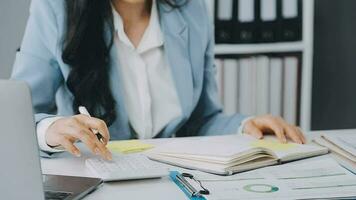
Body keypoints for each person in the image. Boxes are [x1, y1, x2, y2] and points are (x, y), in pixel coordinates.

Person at [11, 0, 306, 160]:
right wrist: (52, 129)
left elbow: (202, 120)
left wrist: (246, 126)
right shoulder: (53, 8)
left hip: (171, 180)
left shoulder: (192, 10)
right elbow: (18, 119)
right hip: (96, 176)